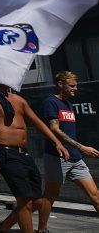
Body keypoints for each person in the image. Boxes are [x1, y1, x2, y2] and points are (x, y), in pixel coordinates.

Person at [0, 84, 69, 233]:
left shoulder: (19, 100)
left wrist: (57, 142)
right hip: (5, 152)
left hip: (23, 153)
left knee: (37, 200)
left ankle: (2, 228)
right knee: (24, 201)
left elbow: (37, 122)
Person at [37, 71, 99, 232]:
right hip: (57, 158)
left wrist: (77, 150)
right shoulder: (51, 102)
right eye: (72, 86)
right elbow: (54, 128)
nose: (75, 89)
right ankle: (41, 230)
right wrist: (82, 147)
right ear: (60, 84)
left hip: (76, 159)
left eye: (76, 85)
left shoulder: (69, 105)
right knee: (50, 196)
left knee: (96, 195)